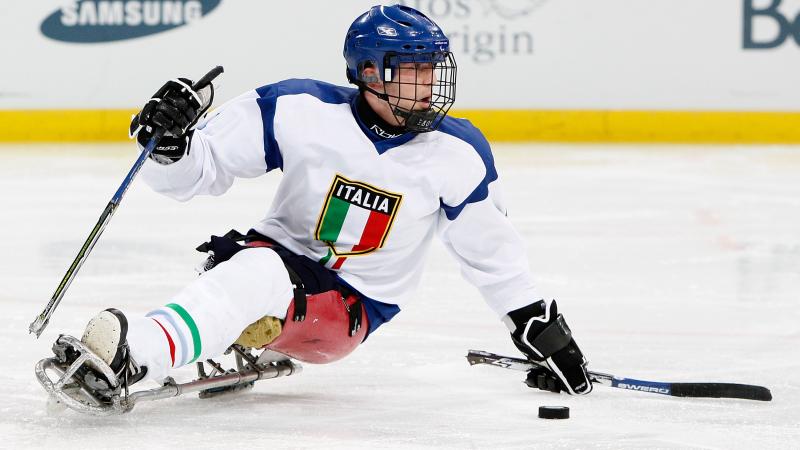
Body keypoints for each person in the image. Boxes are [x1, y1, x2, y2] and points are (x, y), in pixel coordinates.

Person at [72, 4, 592, 397]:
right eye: (410, 71)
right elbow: (197, 174)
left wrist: (542, 333)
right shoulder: (299, 107)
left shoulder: (458, 153)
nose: (427, 85)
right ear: (368, 73)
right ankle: (233, 318)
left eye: (432, 70)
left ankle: (132, 356)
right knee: (255, 270)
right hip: (274, 259)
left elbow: (493, 257)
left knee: (258, 275)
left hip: (350, 306)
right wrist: (169, 147)